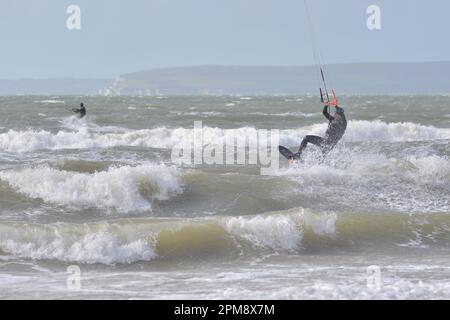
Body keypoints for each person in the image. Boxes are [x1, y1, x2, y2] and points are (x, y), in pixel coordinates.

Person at [283, 103, 347, 161]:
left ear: (340, 115)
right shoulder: (332, 119)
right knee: (319, 157)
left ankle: (299, 155)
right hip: (324, 142)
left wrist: (336, 106)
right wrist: (326, 105)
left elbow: (341, 114)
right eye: (334, 113)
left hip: (328, 145)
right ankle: (300, 156)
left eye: (336, 113)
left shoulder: (343, 124)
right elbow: (324, 112)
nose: (334, 114)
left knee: (307, 138)